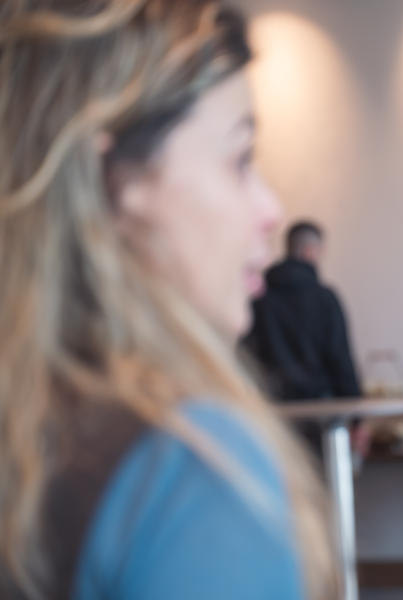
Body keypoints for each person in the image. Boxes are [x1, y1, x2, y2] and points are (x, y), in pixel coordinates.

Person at [0, 1, 335, 599]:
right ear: (117, 181)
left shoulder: (31, 427)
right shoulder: (191, 468)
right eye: (239, 159)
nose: (270, 209)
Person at [245, 221, 361, 400]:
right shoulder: (324, 298)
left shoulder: (260, 298)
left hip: (272, 405)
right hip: (320, 406)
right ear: (309, 250)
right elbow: (340, 358)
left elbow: (248, 354)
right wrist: (355, 407)